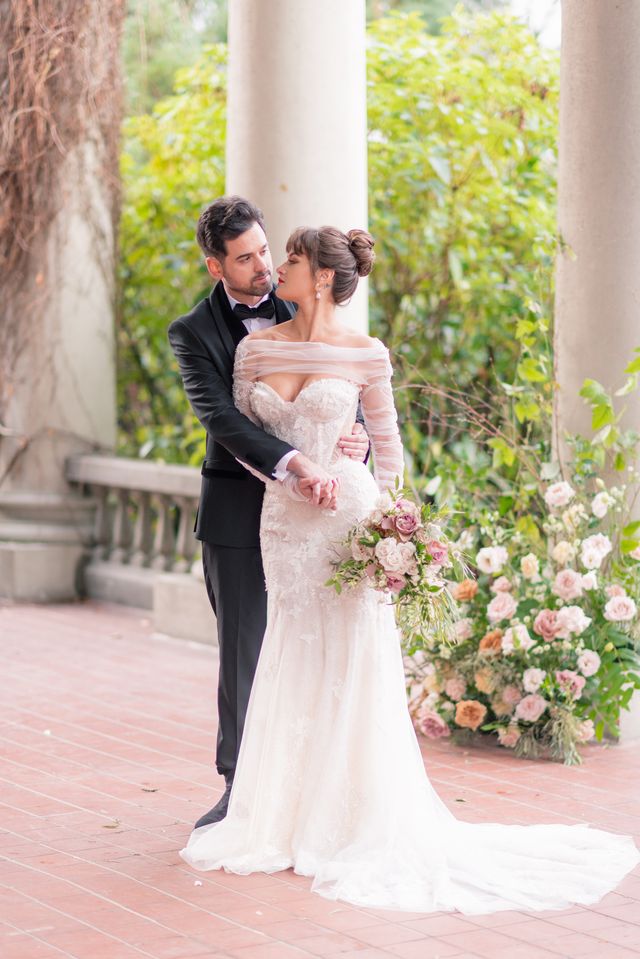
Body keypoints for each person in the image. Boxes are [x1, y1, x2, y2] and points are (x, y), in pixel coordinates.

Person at [179, 223, 639, 914]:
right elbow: (243, 438)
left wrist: (386, 522)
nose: (278, 268)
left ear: (324, 278)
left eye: (292, 259)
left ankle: (353, 812)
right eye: (269, 257)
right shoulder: (250, 349)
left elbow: (388, 450)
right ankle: (277, 811)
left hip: (347, 519)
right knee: (288, 651)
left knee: (355, 659)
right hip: (283, 519)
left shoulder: (367, 352)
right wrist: (294, 473)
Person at [168, 198, 369, 829]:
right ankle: (239, 788)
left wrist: (355, 434)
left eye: (264, 250)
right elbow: (221, 419)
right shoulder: (192, 333)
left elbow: (343, 382)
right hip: (238, 515)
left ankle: (312, 789)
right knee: (244, 653)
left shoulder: (301, 302)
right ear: (214, 266)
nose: (262, 266)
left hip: (315, 521)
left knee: (315, 648)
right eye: (245, 258)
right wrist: (293, 464)